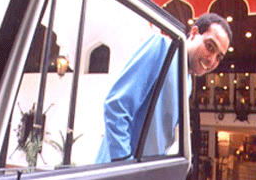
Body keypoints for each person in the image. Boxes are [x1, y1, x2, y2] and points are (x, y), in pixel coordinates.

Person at [95, 13, 232, 164]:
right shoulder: (162, 48)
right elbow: (117, 107)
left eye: (219, 57)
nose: (212, 60)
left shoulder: (188, 83)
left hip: (145, 177)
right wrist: (124, 163)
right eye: (210, 46)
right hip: (118, 173)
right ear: (193, 33)